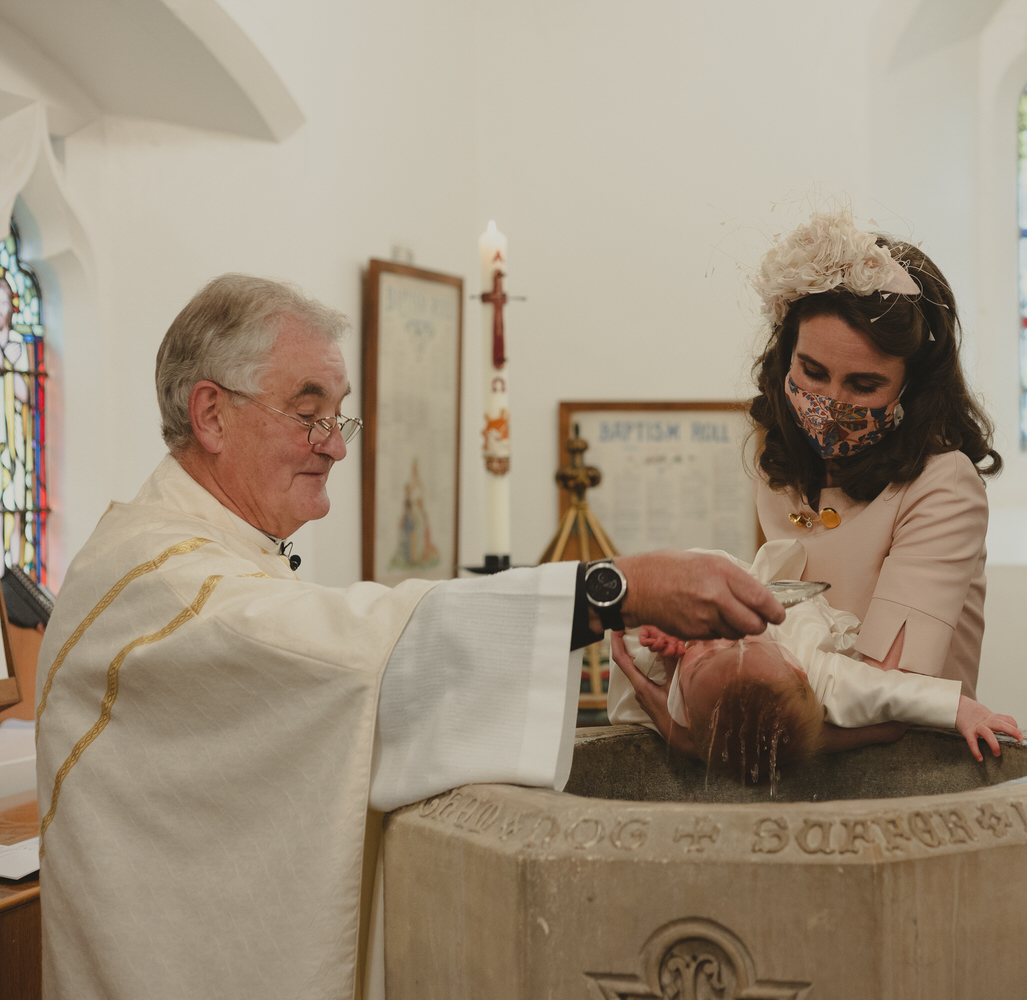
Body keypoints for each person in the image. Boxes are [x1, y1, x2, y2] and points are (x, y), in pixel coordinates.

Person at [33, 274, 785, 1000]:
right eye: (309, 412)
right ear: (212, 414)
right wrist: (613, 589)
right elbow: (346, 655)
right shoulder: (159, 578)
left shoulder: (207, 547)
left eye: (340, 414)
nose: (336, 445)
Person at [748, 210, 1001, 703]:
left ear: (914, 385)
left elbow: (893, 692)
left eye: (864, 385)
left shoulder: (942, 483)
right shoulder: (778, 473)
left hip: (906, 765)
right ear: (786, 356)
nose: (830, 403)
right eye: (812, 371)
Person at [606, 540, 1023, 780]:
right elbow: (894, 694)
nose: (714, 639)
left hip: (756, 596)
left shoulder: (689, 700)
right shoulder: (825, 681)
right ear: (795, 669)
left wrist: (664, 641)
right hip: (782, 607)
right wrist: (963, 710)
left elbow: (633, 655)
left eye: (704, 656)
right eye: (708, 649)